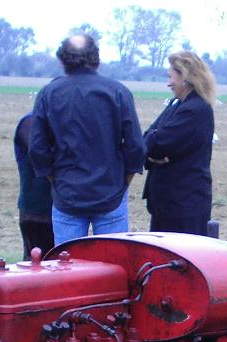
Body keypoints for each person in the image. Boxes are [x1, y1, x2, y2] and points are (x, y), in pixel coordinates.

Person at [29, 34, 145, 242]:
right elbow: (136, 146)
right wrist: (123, 184)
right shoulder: (118, 92)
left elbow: (37, 149)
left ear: (63, 60)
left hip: (67, 195)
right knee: (113, 260)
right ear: (96, 58)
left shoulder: (49, 94)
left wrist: (55, 182)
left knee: (68, 261)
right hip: (111, 193)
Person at [142, 51, 216, 235]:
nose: (168, 83)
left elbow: (157, 143)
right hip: (167, 205)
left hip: (184, 206)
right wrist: (151, 152)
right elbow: (147, 139)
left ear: (185, 78)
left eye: (171, 77)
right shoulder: (177, 104)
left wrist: (152, 146)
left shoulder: (195, 110)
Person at [13, 111, 54, 257]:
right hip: (38, 211)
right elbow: (39, 152)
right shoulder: (30, 122)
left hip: (61, 209)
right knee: (37, 262)